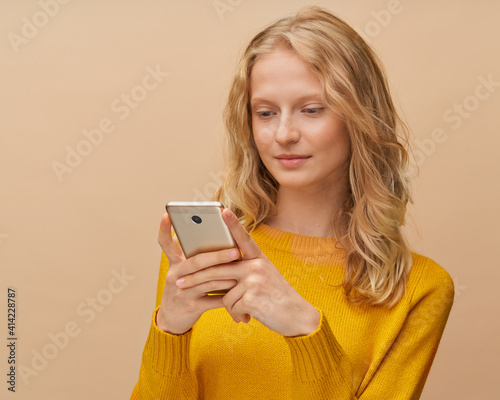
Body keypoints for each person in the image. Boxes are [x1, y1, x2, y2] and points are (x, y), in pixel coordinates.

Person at [130, 5, 454, 399]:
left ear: (360, 116)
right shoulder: (202, 259)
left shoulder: (419, 289)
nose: (283, 134)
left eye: (311, 109)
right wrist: (171, 328)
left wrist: (305, 329)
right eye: (265, 112)